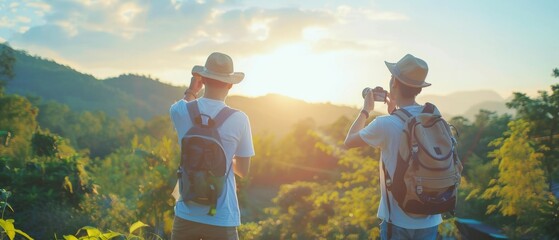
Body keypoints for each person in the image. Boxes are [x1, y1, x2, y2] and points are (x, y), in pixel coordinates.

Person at [344, 54, 441, 240]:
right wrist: (396, 112)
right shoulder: (433, 116)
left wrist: (366, 110)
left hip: (397, 220)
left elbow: (349, 141)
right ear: (419, 88)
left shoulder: (385, 124)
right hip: (431, 217)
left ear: (394, 82)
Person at [169, 52, 255, 240]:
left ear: (203, 79)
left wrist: (192, 91)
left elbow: (187, 104)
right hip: (221, 216)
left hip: (186, 213)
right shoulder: (239, 119)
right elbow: (243, 170)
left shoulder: (179, 111)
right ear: (230, 84)